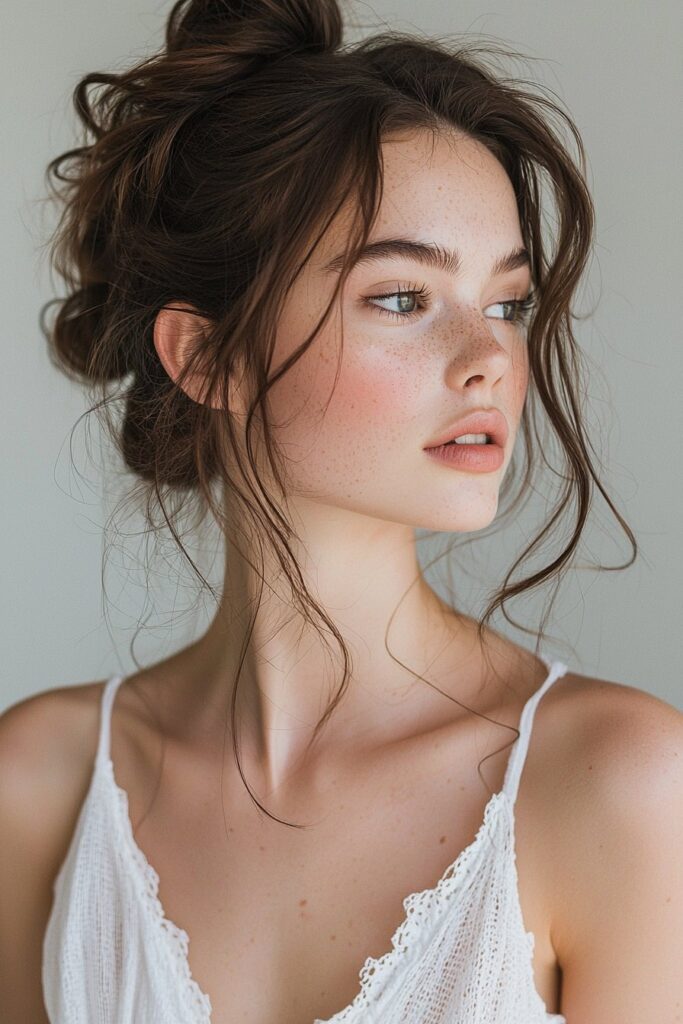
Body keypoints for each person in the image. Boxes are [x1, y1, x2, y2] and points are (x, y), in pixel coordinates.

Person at [1, 1, 681, 1021]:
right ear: (207, 357)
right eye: (403, 299)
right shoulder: (39, 783)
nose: (491, 360)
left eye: (506, 304)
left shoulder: (616, 781)